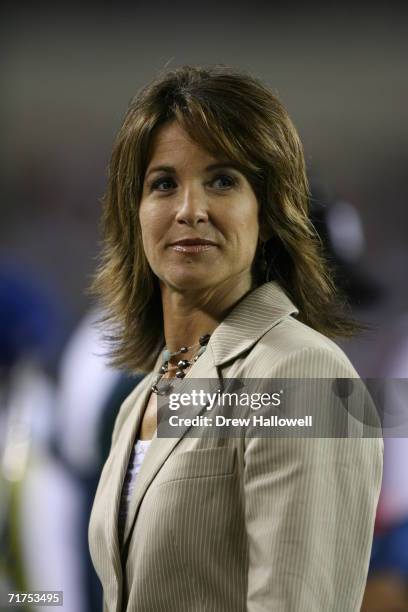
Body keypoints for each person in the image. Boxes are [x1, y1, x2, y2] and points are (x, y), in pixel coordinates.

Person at [88, 65, 383, 611]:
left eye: (223, 180)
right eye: (163, 183)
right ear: (135, 213)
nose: (189, 210)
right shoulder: (140, 398)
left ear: (267, 214)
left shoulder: (303, 373)